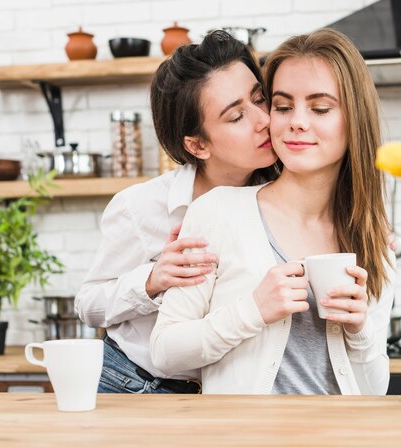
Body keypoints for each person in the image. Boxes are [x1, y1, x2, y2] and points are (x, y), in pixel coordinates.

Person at [150, 28, 396, 395]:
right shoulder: (218, 212)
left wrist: (360, 332)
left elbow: (375, 390)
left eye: (320, 108)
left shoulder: (372, 238)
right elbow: (164, 351)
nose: (296, 121)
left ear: (354, 119)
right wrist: (253, 311)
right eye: (281, 106)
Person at [74, 30, 280, 394]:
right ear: (198, 144)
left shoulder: (281, 197)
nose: (263, 119)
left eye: (260, 99)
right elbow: (88, 305)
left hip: (222, 392)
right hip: (132, 383)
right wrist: (152, 280)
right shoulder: (141, 207)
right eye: (236, 116)